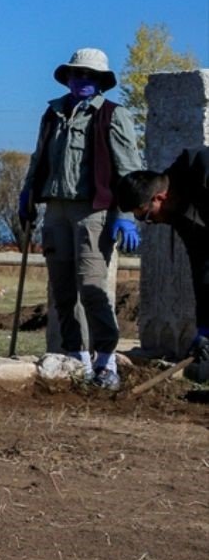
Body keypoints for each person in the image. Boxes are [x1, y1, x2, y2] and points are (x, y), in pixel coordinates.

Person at [20, 47, 142, 390]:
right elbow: (38, 157)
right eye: (77, 74)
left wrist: (125, 214)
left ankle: (105, 360)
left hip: (94, 211)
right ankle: (76, 358)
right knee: (62, 289)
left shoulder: (114, 116)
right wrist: (28, 193)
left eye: (90, 76)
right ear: (68, 77)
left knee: (91, 286)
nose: (82, 80)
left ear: (101, 82)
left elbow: (128, 170)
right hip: (55, 209)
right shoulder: (53, 113)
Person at [116, 146, 209, 380]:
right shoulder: (182, 218)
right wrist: (204, 329)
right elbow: (203, 271)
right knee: (199, 373)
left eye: (147, 216)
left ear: (159, 198)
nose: (151, 223)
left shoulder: (202, 167)